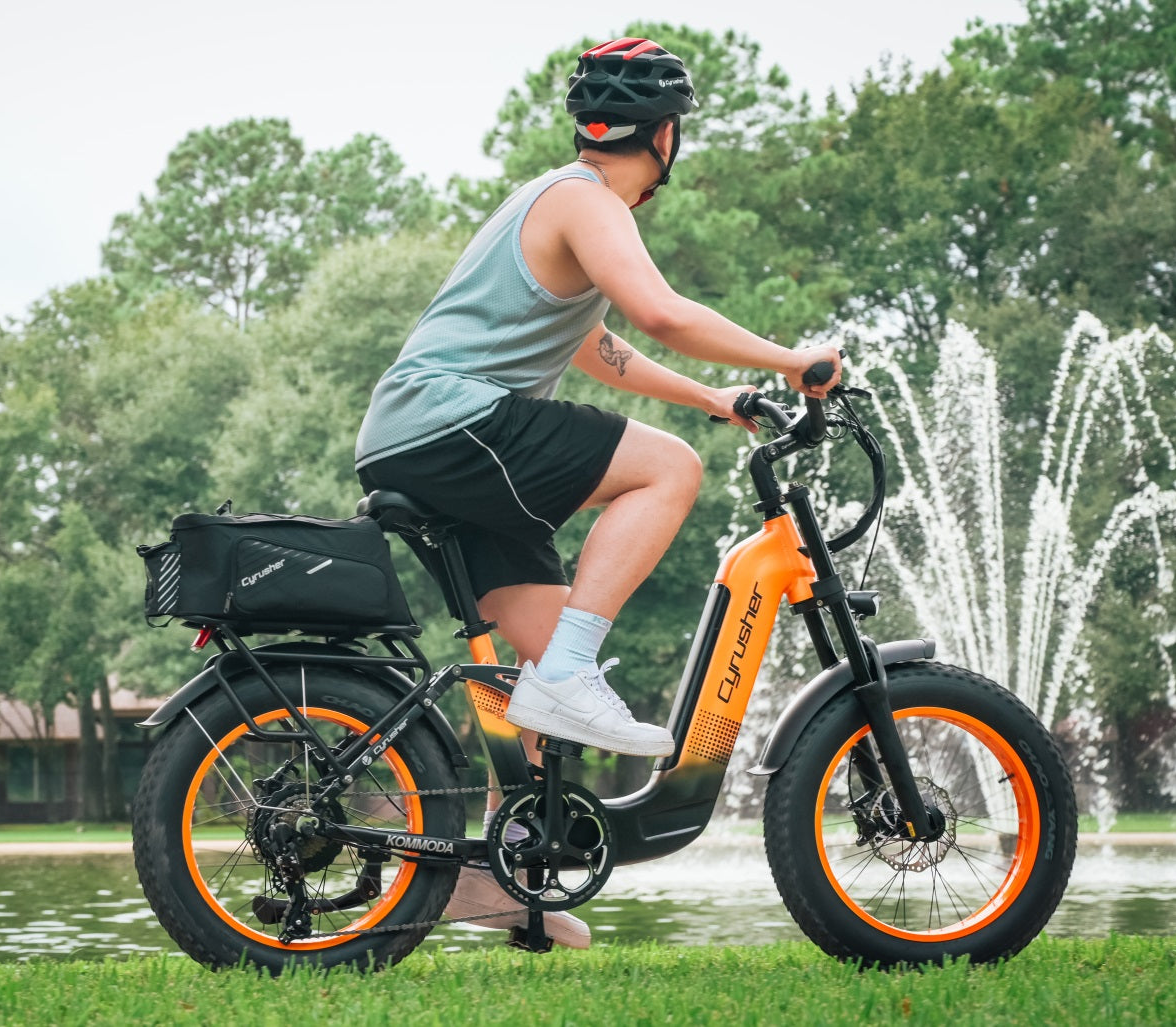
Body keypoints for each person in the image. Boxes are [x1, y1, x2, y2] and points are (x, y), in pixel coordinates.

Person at [354, 37, 840, 946]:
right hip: (449, 426)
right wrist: (792, 358)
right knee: (671, 469)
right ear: (665, 137)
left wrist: (714, 397)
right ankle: (576, 667)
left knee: (535, 684)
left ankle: (492, 884)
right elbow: (659, 310)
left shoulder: (555, 202)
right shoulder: (586, 202)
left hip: (425, 439)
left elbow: (596, 346)